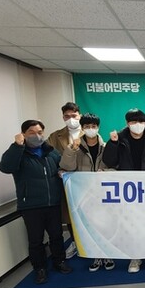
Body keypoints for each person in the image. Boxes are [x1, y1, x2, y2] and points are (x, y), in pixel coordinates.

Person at [0, 120, 73, 284]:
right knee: (35, 240)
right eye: (31, 132)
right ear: (23, 134)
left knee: (56, 235)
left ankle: (59, 261)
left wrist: (61, 171)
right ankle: (40, 268)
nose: (36, 136)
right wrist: (17, 146)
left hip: (53, 203)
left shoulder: (50, 152)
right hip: (31, 205)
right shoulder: (19, 153)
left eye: (39, 132)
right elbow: (5, 167)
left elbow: (62, 166)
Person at [102, 108, 145, 272]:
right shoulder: (119, 139)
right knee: (132, 224)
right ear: (127, 123)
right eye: (133, 122)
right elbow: (109, 161)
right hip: (129, 190)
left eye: (141, 121)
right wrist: (113, 143)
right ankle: (135, 257)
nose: (138, 125)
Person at [59, 113, 113, 273]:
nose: (91, 129)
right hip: (83, 195)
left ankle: (108, 255)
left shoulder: (106, 147)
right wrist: (72, 149)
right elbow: (66, 167)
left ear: (98, 127)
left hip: (103, 194)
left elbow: (115, 167)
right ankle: (95, 256)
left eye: (93, 126)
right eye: (87, 126)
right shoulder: (75, 147)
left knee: (105, 226)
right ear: (82, 128)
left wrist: (106, 172)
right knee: (90, 227)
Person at [47, 101, 81, 259]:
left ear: (79, 115)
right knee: (70, 214)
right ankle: (74, 242)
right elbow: (49, 157)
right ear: (63, 117)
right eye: (67, 116)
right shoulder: (55, 136)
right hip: (66, 183)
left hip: (86, 182)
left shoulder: (89, 132)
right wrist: (59, 170)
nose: (71, 119)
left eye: (74, 115)